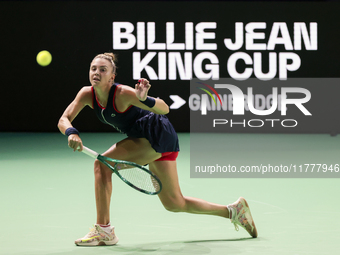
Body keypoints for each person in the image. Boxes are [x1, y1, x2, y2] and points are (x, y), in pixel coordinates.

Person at [57, 53, 258, 246]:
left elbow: (164, 108)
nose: (97, 73)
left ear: (112, 77)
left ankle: (104, 231)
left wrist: (145, 99)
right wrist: (71, 132)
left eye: (103, 69)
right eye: (93, 69)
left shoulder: (122, 93)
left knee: (103, 165)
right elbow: (63, 119)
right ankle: (234, 211)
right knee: (174, 203)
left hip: (156, 134)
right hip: (148, 139)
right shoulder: (86, 94)